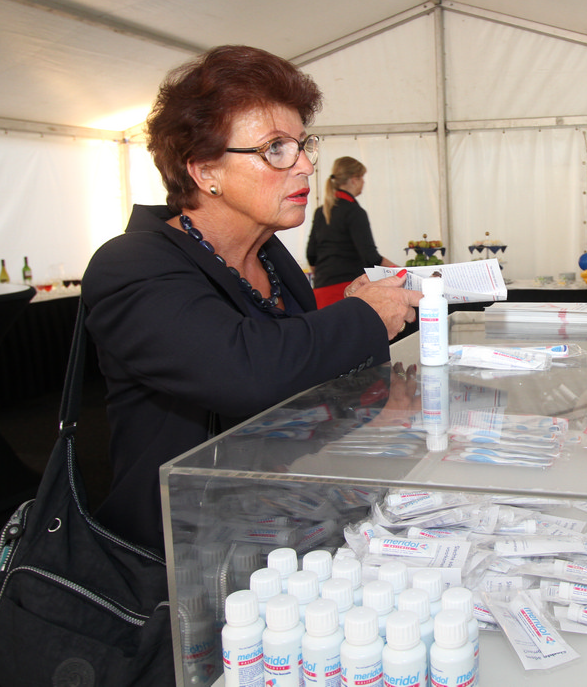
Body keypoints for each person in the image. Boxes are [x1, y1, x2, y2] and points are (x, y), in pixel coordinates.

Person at [82, 45, 421, 553]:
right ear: (205, 171)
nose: (305, 166)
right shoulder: (131, 263)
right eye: (275, 149)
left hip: (274, 519)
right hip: (178, 549)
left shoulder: (273, 261)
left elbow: (306, 389)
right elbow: (246, 373)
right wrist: (363, 316)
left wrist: (379, 404)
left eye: (303, 145)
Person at [306, 156, 398, 307]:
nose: (363, 183)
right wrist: (400, 271)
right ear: (354, 180)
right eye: (362, 178)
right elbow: (371, 258)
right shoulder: (355, 212)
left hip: (321, 291)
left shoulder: (321, 211)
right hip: (348, 291)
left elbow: (311, 255)